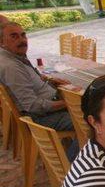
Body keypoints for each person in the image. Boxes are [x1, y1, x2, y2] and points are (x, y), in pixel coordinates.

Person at [0, 22, 79, 159]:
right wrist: (66, 103)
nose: (22, 40)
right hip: (41, 117)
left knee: (89, 102)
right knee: (91, 122)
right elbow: (33, 106)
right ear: (1, 42)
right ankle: (71, 167)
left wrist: (48, 81)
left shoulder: (15, 56)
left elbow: (31, 80)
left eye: (23, 35)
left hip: (48, 104)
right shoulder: (12, 67)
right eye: (14, 36)